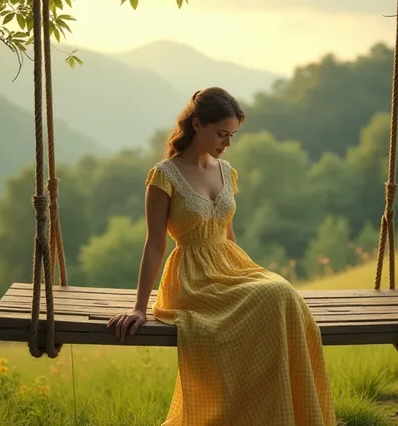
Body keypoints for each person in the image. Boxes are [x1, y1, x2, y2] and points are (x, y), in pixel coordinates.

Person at [107, 87, 336, 426]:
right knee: (275, 294)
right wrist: (140, 307)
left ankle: (283, 413)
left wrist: (246, 273)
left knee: (281, 292)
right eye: (221, 134)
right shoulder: (164, 176)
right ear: (197, 124)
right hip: (193, 278)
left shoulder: (226, 171)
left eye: (232, 135)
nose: (227, 143)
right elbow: (154, 244)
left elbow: (227, 233)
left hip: (229, 264)